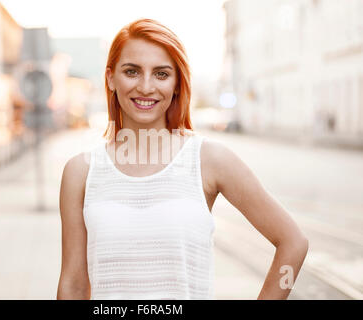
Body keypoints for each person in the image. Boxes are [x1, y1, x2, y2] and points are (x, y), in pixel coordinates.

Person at [56, 18, 308, 300]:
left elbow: (293, 242)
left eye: (161, 74)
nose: (146, 86)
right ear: (111, 79)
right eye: (132, 71)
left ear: (177, 83)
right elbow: (74, 284)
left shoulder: (209, 160)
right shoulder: (80, 172)